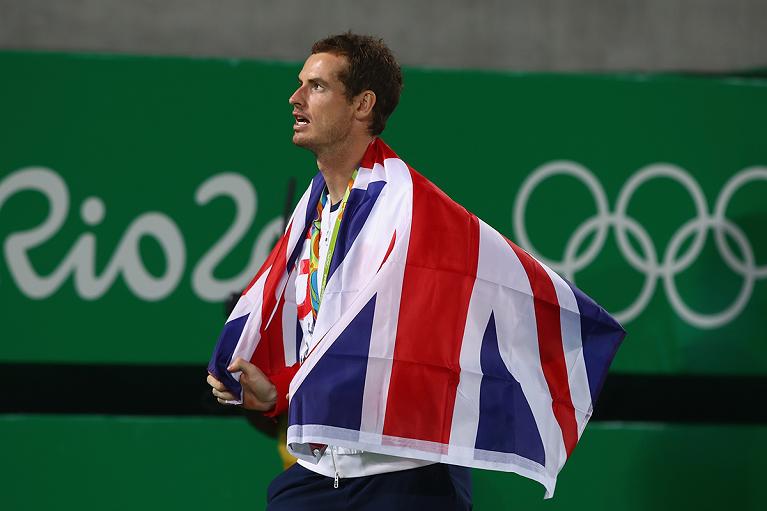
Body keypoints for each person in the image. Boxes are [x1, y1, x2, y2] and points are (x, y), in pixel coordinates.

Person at [206, 33, 473, 510]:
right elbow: (331, 344)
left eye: (317, 86)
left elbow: (399, 353)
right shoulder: (315, 211)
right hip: (324, 472)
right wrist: (276, 392)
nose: (295, 98)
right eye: (300, 84)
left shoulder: (407, 211)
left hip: (402, 477)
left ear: (362, 105)